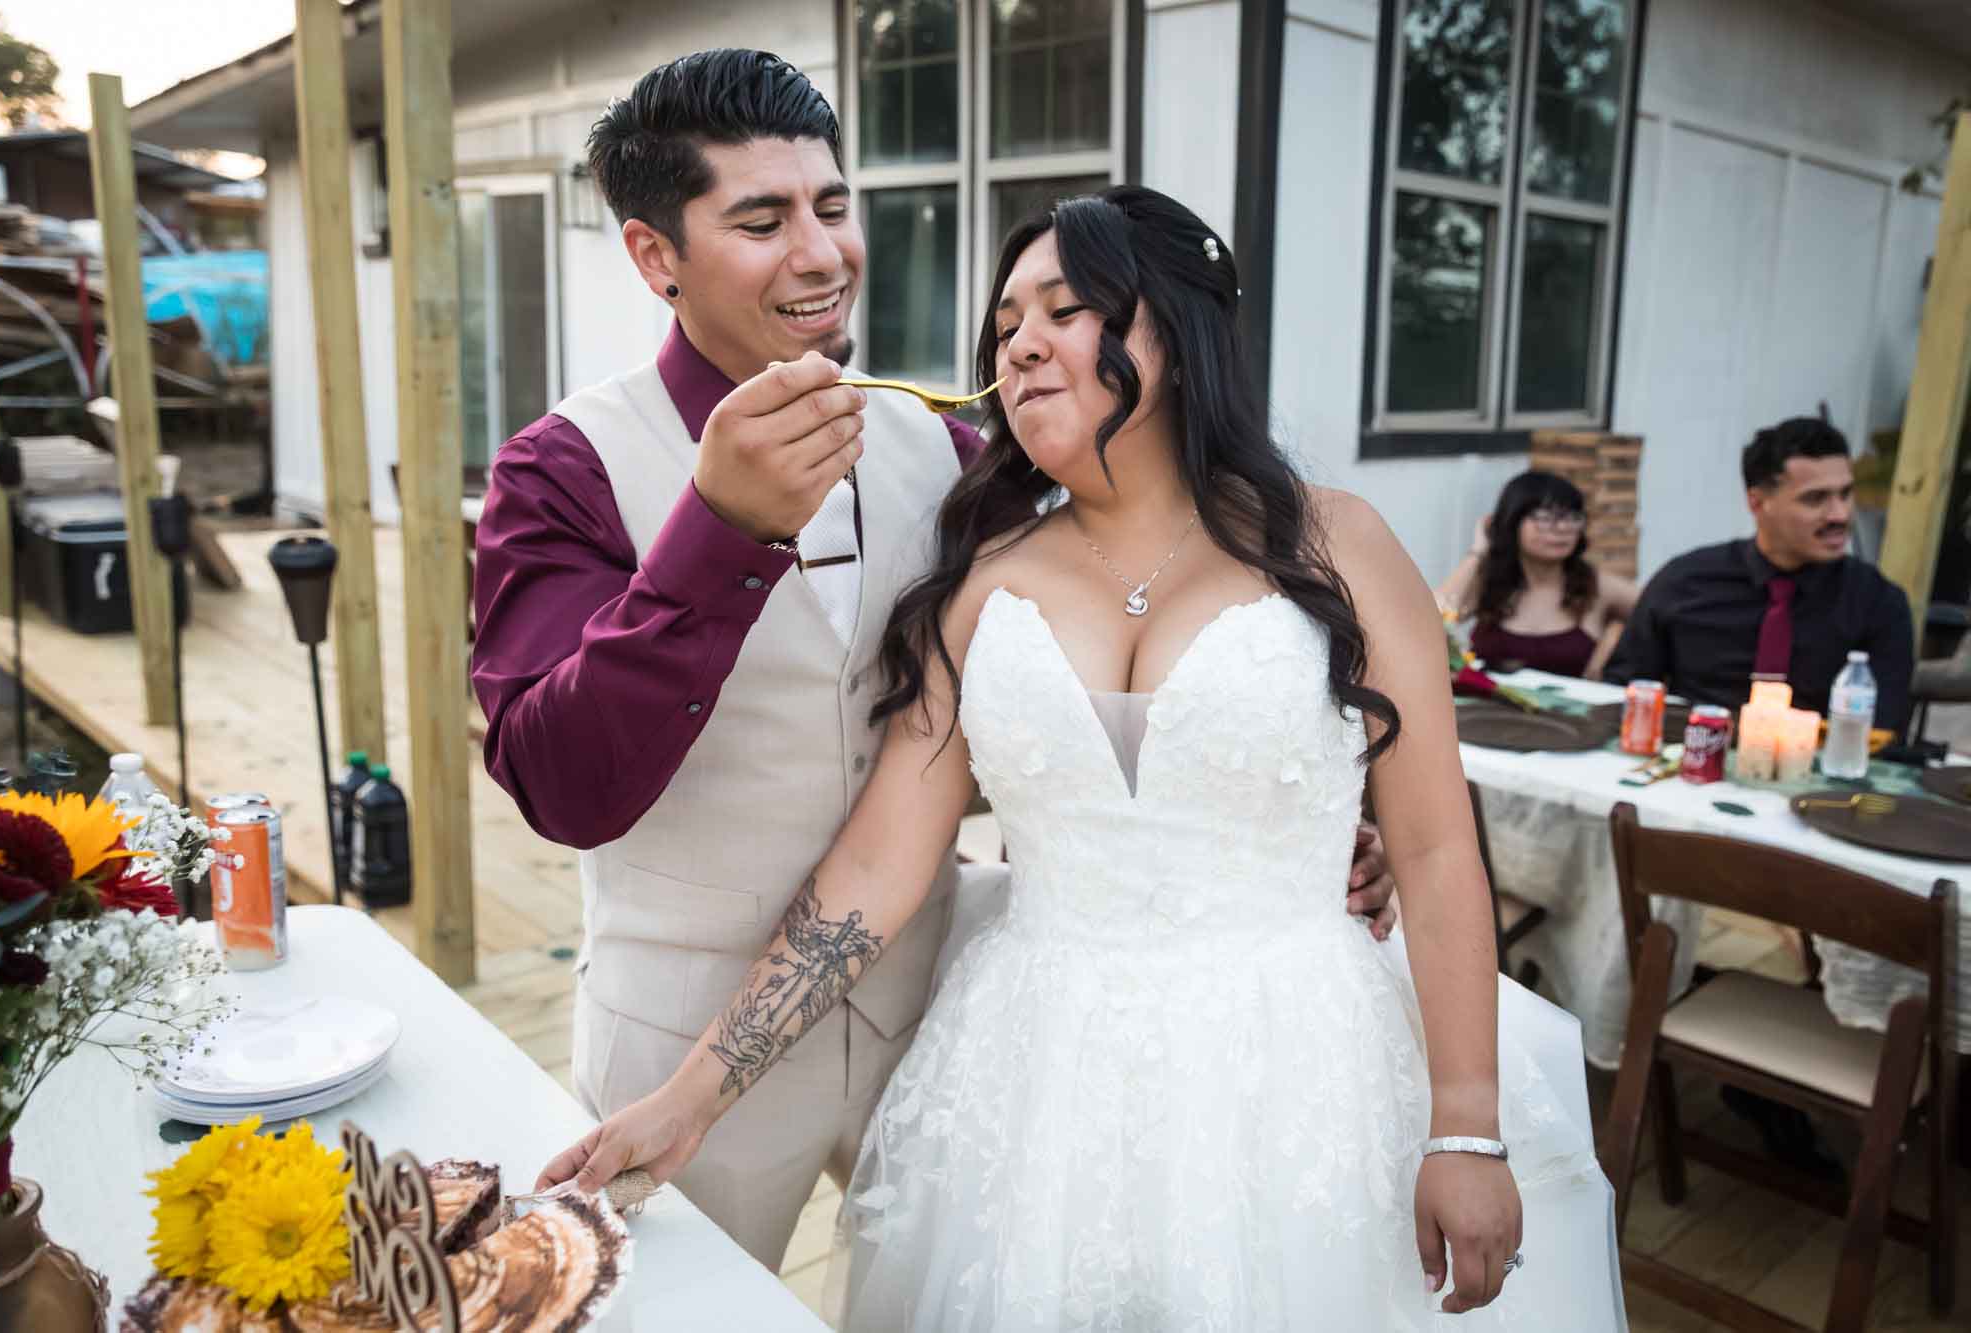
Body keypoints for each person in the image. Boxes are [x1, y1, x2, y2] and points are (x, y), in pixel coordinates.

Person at [535, 187, 1625, 1329]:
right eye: (1006, 320)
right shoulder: (984, 574)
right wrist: (692, 1096)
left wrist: (1462, 1121)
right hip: (1035, 1086)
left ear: (1179, 330)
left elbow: (1437, 845)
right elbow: (872, 871)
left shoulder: (1336, 544)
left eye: (1067, 308)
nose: (1020, 340)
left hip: (1297, 1073)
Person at [470, 50, 1400, 1274]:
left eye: (832, 206)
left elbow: (1099, 642)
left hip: (950, 1011)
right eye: (761, 219)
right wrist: (719, 536)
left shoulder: (952, 449)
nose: (819, 252)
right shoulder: (561, 468)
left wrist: (1251, 813)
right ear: (655, 257)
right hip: (682, 1033)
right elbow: (561, 786)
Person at [1604, 416, 1913, 731]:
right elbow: (1623, 691)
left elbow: (1884, 730)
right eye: (1815, 499)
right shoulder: (1685, 582)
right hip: (1691, 759)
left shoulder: (1877, 602)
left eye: (1845, 494)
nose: (1840, 514)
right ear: (1757, 502)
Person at [1433, 470, 1639, 679]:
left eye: (1572, 517)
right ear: (1513, 521)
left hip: (1570, 710)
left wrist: (1614, 637)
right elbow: (1432, 620)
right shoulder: (1488, 582)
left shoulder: (1598, 586)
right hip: (1485, 709)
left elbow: (1658, 612)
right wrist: (1478, 551)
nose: (1562, 528)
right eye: (1546, 517)